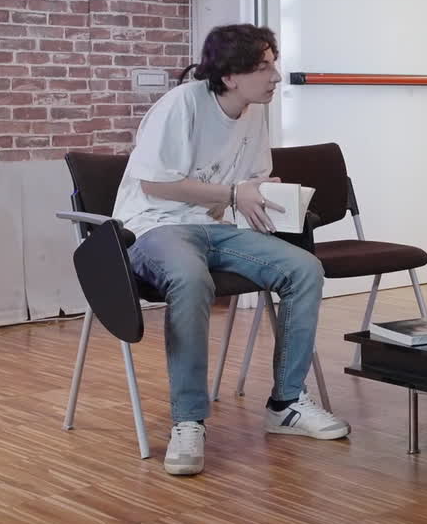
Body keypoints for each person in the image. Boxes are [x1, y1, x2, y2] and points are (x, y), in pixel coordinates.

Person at [113, 24, 350, 476]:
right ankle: (188, 420)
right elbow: (154, 184)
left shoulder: (254, 113)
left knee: (304, 269)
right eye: (263, 67)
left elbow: (248, 183)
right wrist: (234, 193)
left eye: (274, 64)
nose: (275, 76)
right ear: (229, 76)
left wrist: (262, 190)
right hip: (156, 226)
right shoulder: (181, 105)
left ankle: (286, 404)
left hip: (216, 228)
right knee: (190, 279)